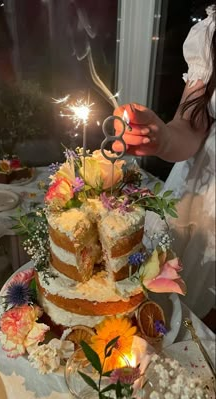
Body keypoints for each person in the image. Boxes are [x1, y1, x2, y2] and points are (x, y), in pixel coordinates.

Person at [113, 5, 216, 320]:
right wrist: (163, 138)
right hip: (205, 195)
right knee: (176, 316)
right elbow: (191, 125)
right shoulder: (211, 32)